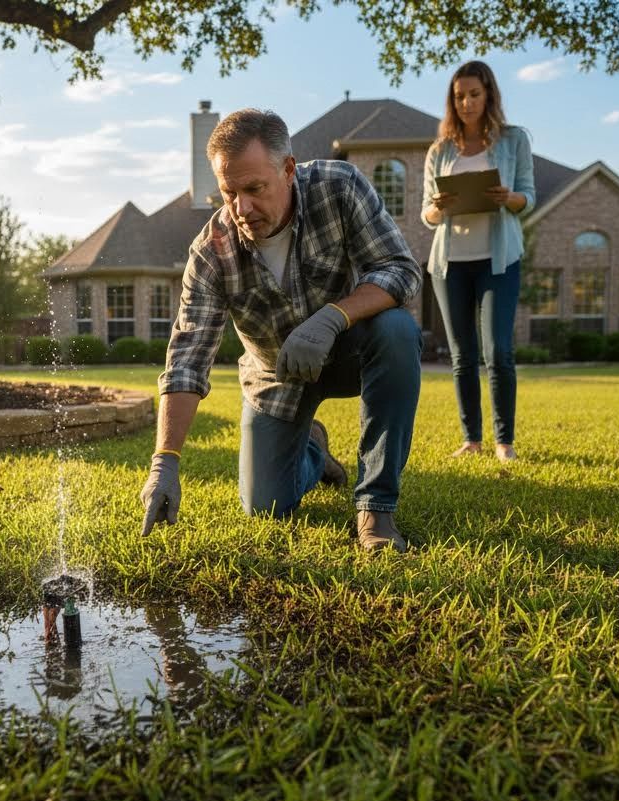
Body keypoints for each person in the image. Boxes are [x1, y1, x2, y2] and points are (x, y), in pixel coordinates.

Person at [140, 108, 423, 552]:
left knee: (397, 330)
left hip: (352, 349)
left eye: (254, 189)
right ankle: (315, 451)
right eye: (228, 192)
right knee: (266, 506)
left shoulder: (340, 187)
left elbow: (401, 270)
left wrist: (332, 317)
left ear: (288, 169)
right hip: (276, 376)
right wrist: (165, 461)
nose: (241, 208)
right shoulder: (212, 251)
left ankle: (376, 509)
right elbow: (188, 357)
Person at [422, 60, 535, 462]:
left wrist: (509, 198)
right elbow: (427, 215)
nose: (466, 103)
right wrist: (440, 206)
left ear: (488, 95)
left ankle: (505, 441)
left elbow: (528, 196)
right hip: (451, 263)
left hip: (498, 260)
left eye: (474, 94)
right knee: (461, 356)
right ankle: (472, 439)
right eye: (459, 96)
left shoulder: (513, 140)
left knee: (499, 351)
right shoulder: (440, 150)